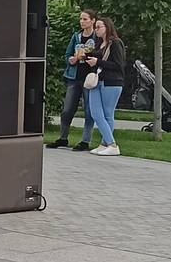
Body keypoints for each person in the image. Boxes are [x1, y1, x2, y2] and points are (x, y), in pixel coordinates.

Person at [51, 10, 100, 150]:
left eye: (85, 19)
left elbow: (101, 54)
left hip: (89, 78)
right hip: (74, 77)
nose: (82, 21)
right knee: (67, 109)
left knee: (88, 111)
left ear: (93, 21)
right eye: (81, 19)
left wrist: (91, 58)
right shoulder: (76, 37)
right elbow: (67, 55)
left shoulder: (97, 38)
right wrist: (71, 59)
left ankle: (85, 141)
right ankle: (63, 137)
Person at [78, 16, 126, 156]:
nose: (97, 30)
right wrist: (85, 57)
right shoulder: (100, 44)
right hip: (96, 81)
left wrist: (97, 62)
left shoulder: (115, 43)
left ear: (107, 28)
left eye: (99, 27)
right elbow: (96, 57)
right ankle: (105, 143)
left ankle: (111, 144)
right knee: (95, 112)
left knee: (107, 114)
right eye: (96, 27)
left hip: (111, 82)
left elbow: (119, 65)